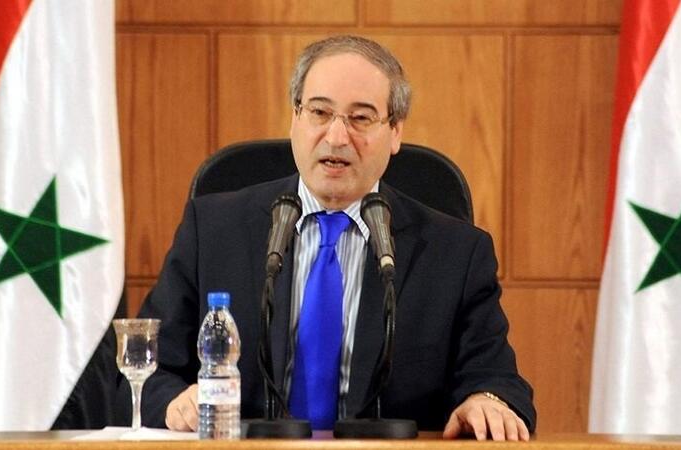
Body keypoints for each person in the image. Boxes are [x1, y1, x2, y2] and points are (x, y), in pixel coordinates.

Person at [117, 35, 536, 441]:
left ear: (395, 132)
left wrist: (487, 401)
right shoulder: (213, 230)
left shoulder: (455, 253)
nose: (336, 137)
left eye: (361, 118)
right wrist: (172, 402)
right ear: (295, 117)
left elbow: (497, 379)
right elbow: (143, 374)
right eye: (319, 112)